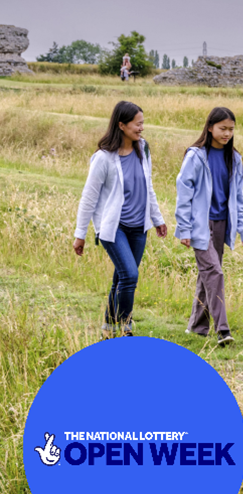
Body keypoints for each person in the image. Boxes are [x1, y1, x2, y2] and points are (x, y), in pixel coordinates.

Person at [71, 101, 169, 338]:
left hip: (139, 228)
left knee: (121, 278)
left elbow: (148, 187)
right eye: (138, 124)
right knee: (130, 275)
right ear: (121, 125)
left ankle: (108, 327)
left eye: (142, 123)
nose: (141, 128)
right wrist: (80, 234)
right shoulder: (103, 158)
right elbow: (89, 197)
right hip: (114, 228)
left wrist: (157, 218)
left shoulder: (143, 149)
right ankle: (125, 328)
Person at [175, 107, 243, 345]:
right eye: (222, 128)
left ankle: (197, 327)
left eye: (231, 129)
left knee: (207, 276)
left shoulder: (235, 159)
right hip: (200, 225)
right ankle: (223, 330)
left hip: (222, 225)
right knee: (215, 273)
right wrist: (184, 228)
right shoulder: (196, 156)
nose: (227, 133)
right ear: (210, 128)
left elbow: (239, 198)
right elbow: (183, 193)